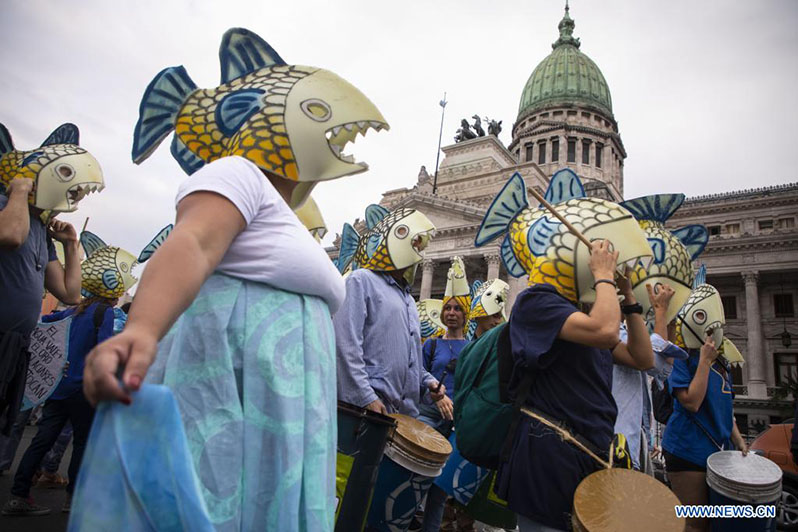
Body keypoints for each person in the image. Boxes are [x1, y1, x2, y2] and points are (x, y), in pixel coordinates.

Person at [83, 28, 390, 531]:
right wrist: (141, 329)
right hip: (235, 395)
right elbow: (193, 242)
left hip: (282, 410)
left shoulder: (282, 215)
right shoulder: (239, 174)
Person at [496, 240, 654, 531]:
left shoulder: (583, 319)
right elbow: (606, 331)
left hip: (589, 451)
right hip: (549, 453)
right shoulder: (536, 302)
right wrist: (604, 275)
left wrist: (629, 297)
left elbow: (642, 358)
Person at [2, 295, 115, 516]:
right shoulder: (105, 313)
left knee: (41, 440)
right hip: (85, 389)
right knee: (82, 444)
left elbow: (42, 322)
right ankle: (72, 499)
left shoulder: (73, 311)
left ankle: (19, 495)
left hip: (58, 387)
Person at [334, 204, 443, 417]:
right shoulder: (361, 280)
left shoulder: (410, 301)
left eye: (421, 247)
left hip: (402, 417)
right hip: (366, 409)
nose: (418, 251)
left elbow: (411, 361)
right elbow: (345, 344)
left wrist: (427, 381)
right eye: (415, 243)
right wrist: (366, 397)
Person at [417, 258, 471, 532]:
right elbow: (417, 374)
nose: (451, 313)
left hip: (455, 422)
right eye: (447, 308)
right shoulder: (432, 344)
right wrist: (433, 390)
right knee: (415, 477)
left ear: (465, 315)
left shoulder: (473, 347)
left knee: (440, 488)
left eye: (457, 309)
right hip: (428, 415)